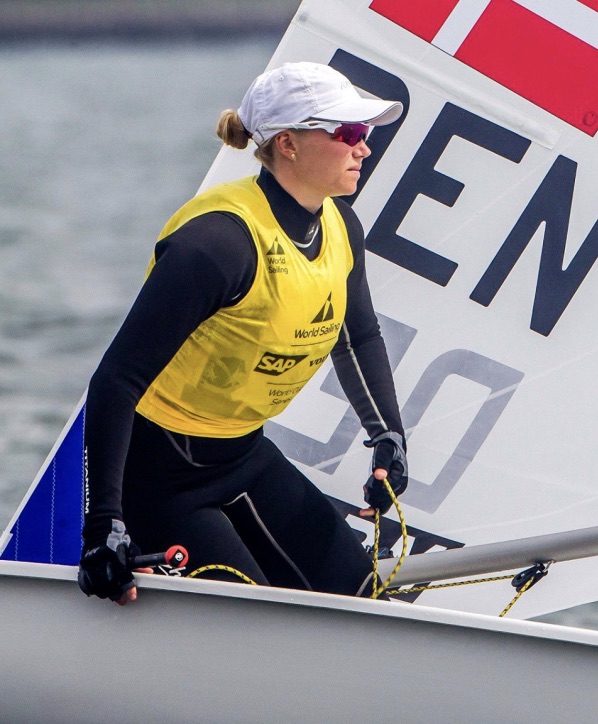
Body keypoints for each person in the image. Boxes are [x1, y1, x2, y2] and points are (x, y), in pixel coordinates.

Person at [76, 62, 408, 606]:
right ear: (289, 145)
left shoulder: (340, 226)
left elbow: (359, 335)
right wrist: (103, 528)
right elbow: (116, 380)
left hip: (243, 455)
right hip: (161, 471)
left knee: (363, 597)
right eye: (347, 133)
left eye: (366, 133)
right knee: (251, 617)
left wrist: (388, 437)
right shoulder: (218, 244)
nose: (363, 148)